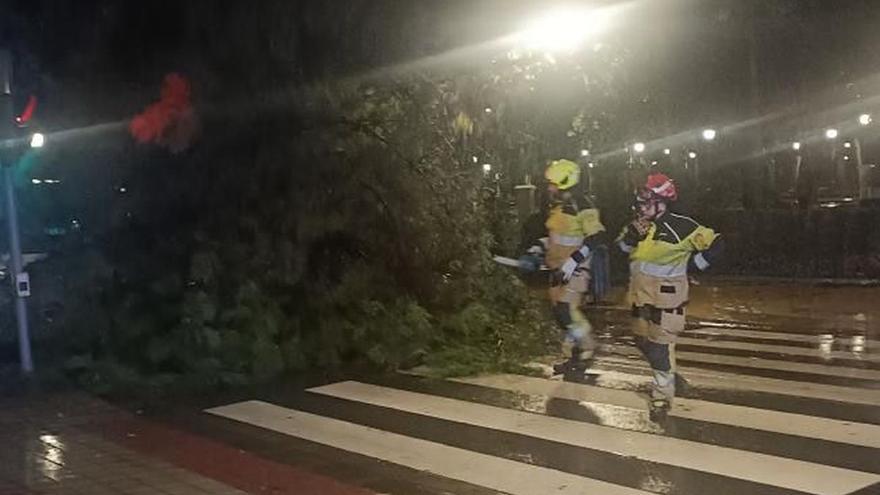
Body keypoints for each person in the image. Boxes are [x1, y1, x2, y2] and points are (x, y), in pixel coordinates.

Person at [617, 172, 723, 417]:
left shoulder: (683, 225)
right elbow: (621, 249)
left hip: (667, 300)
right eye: (639, 202)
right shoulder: (638, 224)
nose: (640, 207)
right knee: (643, 343)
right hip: (639, 297)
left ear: (661, 202)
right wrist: (631, 237)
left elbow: (718, 244)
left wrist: (695, 265)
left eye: (646, 202)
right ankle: (669, 374)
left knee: (659, 350)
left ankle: (662, 397)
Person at [525, 159, 608, 375]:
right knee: (560, 314)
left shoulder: (585, 207)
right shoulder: (557, 206)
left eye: (553, 184)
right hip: (556, 267)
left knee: (566, 310)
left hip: (576, 268)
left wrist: (573, 261)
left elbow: (595, 238)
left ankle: (588, 347)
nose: (550, 188)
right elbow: (555, 237)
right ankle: (573, 355)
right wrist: (537, 248)